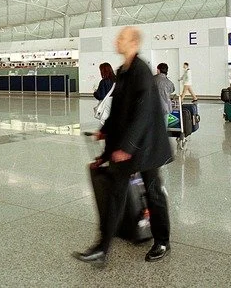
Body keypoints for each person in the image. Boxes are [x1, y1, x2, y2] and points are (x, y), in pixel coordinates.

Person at [74, 26, 172, 267]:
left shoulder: (141, 72)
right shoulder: (123, 71)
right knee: (115, 195)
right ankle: (102, 248)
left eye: (123, 37)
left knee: (153, 193)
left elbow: (143, 113)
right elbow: (118, 112)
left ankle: (162, 241)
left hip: (147, 148)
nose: (118, 40)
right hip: (129, 146)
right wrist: (105, 135)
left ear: (134, 44)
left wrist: (126, 147)